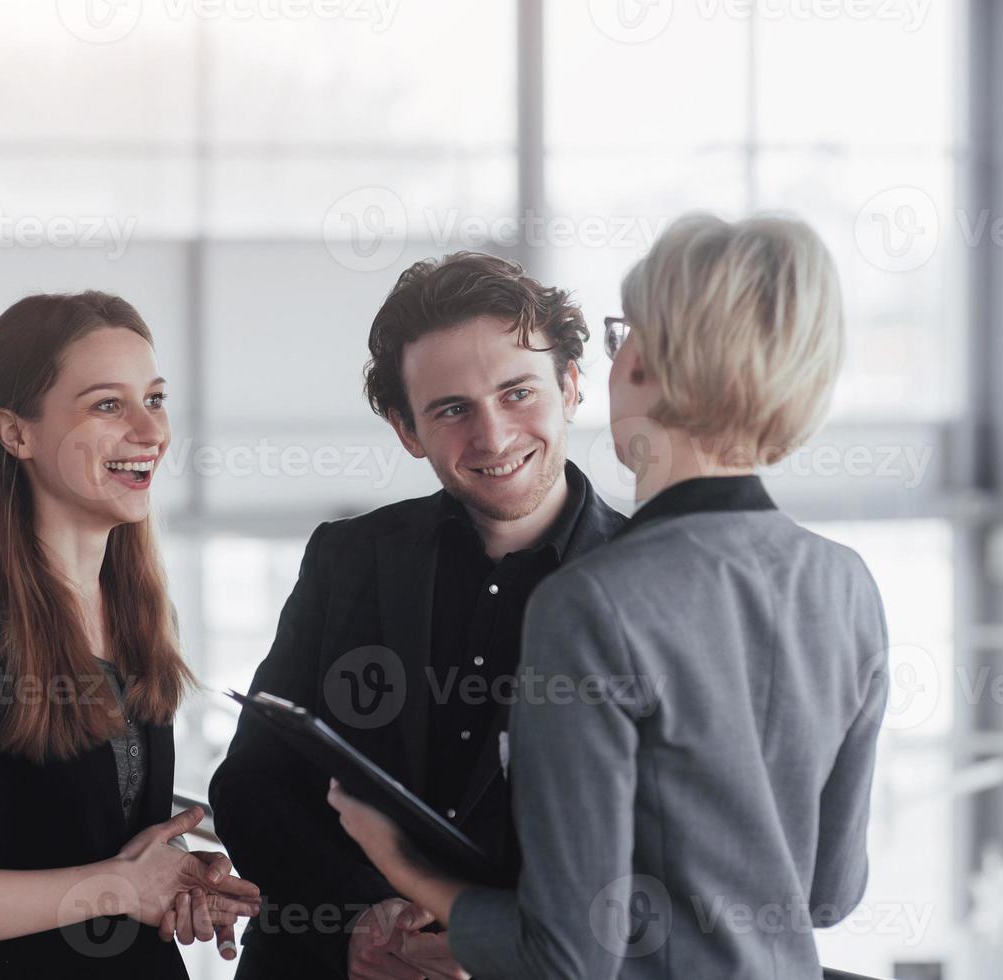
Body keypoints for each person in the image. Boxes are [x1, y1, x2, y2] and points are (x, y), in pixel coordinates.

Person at [330, 213, 891, 979]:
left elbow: (564, 957)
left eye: (623, 332)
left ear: (645, 365)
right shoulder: (846, 584)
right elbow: (827, 893)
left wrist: (405, 866)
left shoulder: (592, 602)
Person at [209, 252, 627, 979]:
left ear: (571, 387)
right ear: (407, 430)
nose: (493, 438)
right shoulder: (347, 559)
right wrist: (356, 922)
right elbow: (252, 784)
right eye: (452, 410)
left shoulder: (653, 581)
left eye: (518, 393)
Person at [0, 291, 260, 978]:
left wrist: (166, 877)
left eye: (154, 400)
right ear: (16, 434)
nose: (151, 432)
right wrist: (120, 887)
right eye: (108, 405)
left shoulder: (134, 608)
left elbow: (93, 848)